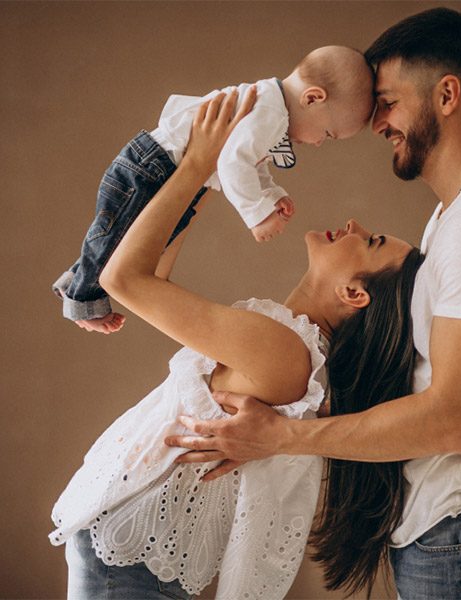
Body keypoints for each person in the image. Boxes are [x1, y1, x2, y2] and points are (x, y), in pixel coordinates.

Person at [167, 8, 461, 599]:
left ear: (447, 95)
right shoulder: (457, 217)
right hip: (455, 527)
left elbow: (454, 420)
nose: (376, 123)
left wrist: (282, 437)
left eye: (389, 103)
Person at [49, 87, 421, 599]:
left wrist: (197, 164)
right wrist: (207, 176)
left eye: (372, 241)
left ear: (354, 294)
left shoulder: (284, 352)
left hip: (128, 561)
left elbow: (124, 279)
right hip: (129, 554)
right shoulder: (289, 345)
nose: (357, 225)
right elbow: (151, 273)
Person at [52, 45, 374, 334]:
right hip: (152, 166)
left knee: (127, 237)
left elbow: (250, 163)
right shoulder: (270, 114)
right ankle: (82, 299)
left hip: (167, 171)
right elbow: (232, 164)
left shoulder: (271, 110)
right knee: (117, 234)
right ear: (313, 98)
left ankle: (76, 278)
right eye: (327, 134)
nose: (318, 143)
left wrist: (272, 194)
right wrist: (258, 214)